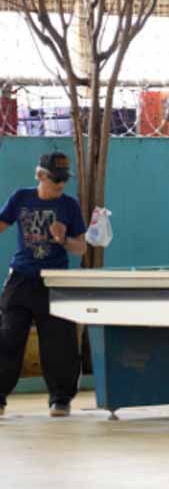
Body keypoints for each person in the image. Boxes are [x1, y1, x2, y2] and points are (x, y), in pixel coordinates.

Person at [0, 151, 86, 417]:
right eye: (54, 180)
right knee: (8, 335)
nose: (60, 185)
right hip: (22, 278)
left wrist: (63, 240)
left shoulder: (69, 205)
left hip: (54, 279)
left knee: (59, 340)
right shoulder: (21, 198)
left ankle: (60, 398)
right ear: (40, 175)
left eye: (63, 180)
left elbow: (81, 247)